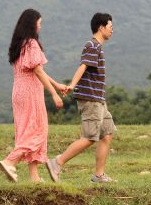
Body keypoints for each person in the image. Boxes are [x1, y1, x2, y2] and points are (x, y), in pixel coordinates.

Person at [0, 9, 67, 182]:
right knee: (37, 130)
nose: (40, 27)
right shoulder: (31, 44)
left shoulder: (19, 44)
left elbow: (37, 69)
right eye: (39, 23)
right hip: (30, 92)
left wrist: (57, 85)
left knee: (26, 129)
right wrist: (53, 94)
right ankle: (10, 161)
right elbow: (37, 69)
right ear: (32, 23)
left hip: (19, 91)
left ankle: (34, 176)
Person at [46, 13, 116, 183]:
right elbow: (83, 66)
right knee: (90, 137)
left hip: (99, 99)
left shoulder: (98, 46)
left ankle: (99, 176)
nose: (112, 30)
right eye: (110, 27)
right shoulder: (92, 45)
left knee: (107, 134)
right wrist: (72, 84)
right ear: (101, 27)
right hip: (91, 99)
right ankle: (57, 163)